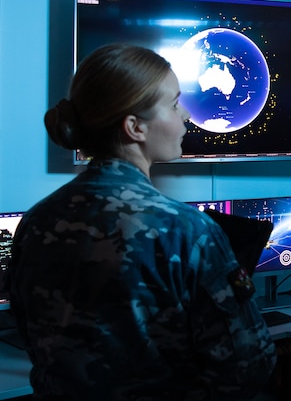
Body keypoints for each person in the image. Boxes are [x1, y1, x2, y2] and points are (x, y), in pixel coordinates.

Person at [8, 43, 276, 399]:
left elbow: (28, 335)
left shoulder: (35, 222)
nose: (186, 116)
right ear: (135, 127)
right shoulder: (185, 230)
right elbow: (249, 364)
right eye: (174, 103)